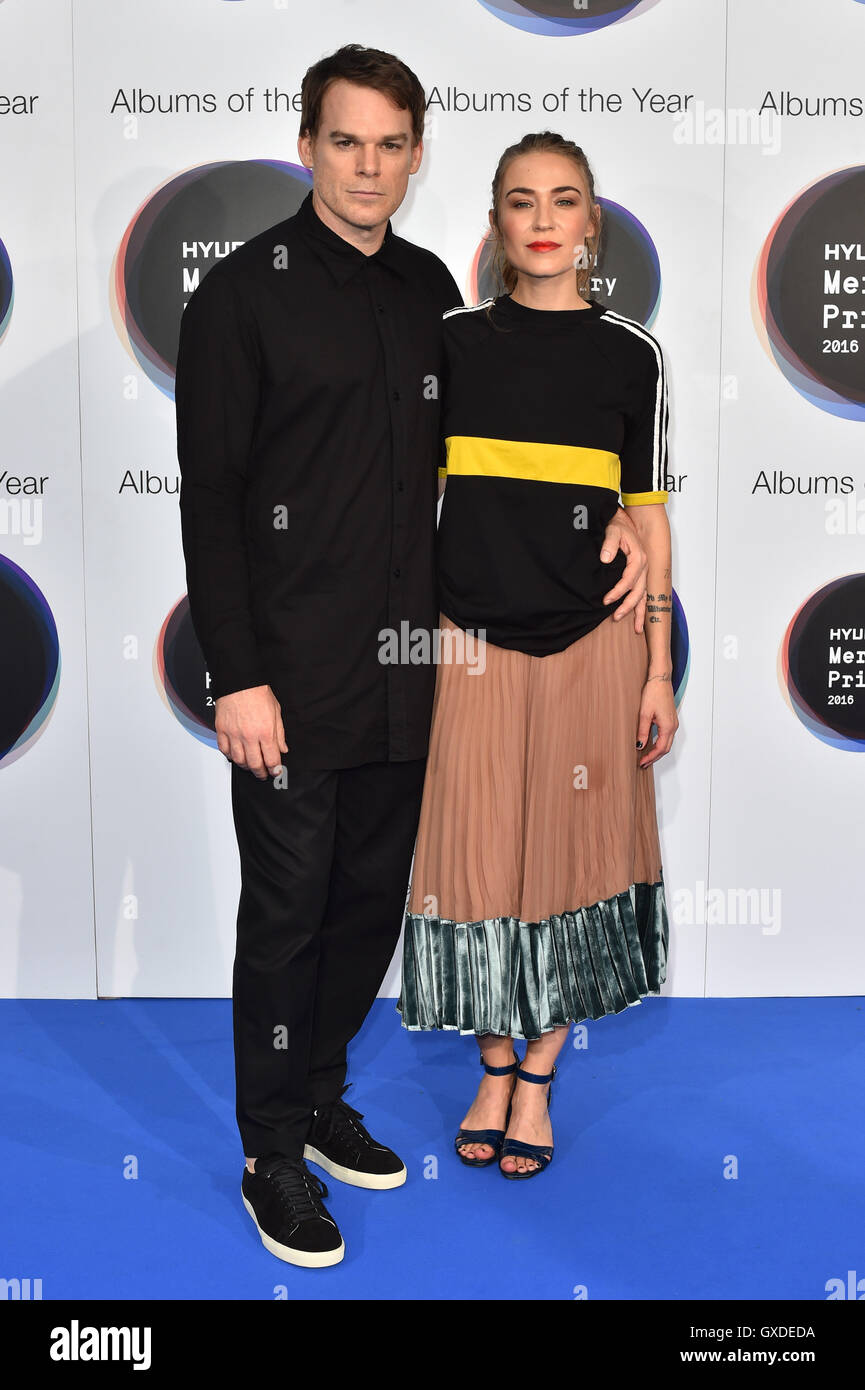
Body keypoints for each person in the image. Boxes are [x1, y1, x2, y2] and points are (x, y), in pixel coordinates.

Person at [176, 46, 648, 1267]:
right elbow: (212, 497)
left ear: (418, 155)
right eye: (346, 141)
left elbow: (520, 446)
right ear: (307, 146)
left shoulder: (434, 293)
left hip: (414, 672)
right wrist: (238, 674)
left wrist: (611, 517)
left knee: (366, 909)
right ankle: (269, 1152)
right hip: (284, 679)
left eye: (391, 143)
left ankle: (323, 1095)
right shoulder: (239, 294)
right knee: (284, 917)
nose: (368, 165)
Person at [398, 131, 677, 1180]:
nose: (545, 218)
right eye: (523, 201)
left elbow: (646, 518)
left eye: (565, 200)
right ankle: (490, 1064)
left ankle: (539, 1081)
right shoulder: (452, 345)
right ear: (496, 222)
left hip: (592, 649)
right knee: (475, 862)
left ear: (591, 221)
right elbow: (402, 496)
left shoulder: (631, 354)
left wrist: (654, 664)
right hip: (469, 643)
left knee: (570, 861)